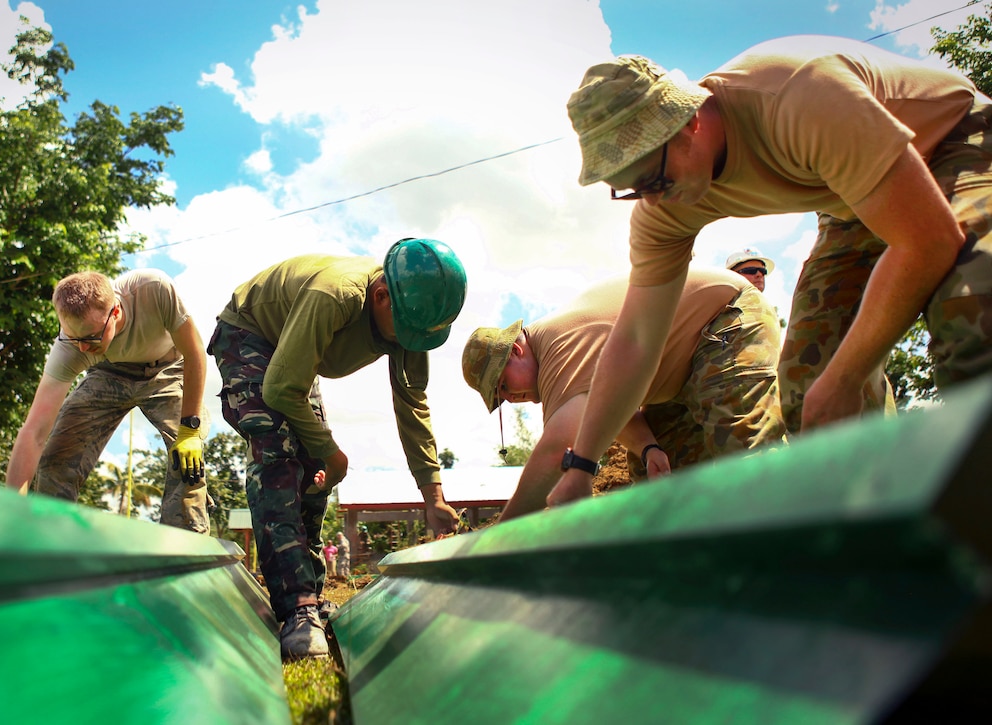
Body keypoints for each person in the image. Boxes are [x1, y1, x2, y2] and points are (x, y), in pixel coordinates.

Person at [551, 36, 992, 507]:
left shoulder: (799, 96)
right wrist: (581, 465)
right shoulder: (665, 203)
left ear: (689, 123)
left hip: (952, 139)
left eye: (653, 180)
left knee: (972, 309)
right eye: (631, 190)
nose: (652, 200)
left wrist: (847, 377)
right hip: (849, 201)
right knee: (808, 387)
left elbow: (928, 239)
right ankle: (880, 525)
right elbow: (637, 338)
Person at [208, 238, 467, 660]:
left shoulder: (412, 320)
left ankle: (308, 590)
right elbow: (278, 388)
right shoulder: (335, 295)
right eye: (409, 332)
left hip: (293, 354)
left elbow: (412, 403)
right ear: (381, 296)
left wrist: (433, 496)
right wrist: (334, 452)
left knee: (314, 468)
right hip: (251, 334)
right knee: (278, 451)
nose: (412, 342)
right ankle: (296, 609)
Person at [462, 270, 784, 520]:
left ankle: (800, 550)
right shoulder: (561, 357)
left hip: (726, 319)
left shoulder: (559, 345)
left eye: (504, 385)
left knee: (743, 446)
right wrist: (648, 447)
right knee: (657, 475)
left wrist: (502, 535)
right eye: (502, 399)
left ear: (516, 351)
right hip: (679, 367)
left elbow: (556, 450)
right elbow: (612, 407)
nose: (512, 398)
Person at [6, 270, 210, 533]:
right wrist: (10, 509)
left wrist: (190, 429)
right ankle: (50, 534)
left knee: (185, 455)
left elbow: (195, 352)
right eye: (72, 336)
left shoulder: (153, 289)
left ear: (115, 311)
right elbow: (33, 432)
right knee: (57, 453)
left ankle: (186, 540)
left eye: (90, 337)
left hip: (167, 368)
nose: (81, 348)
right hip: (108, 372)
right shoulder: (69, 348)